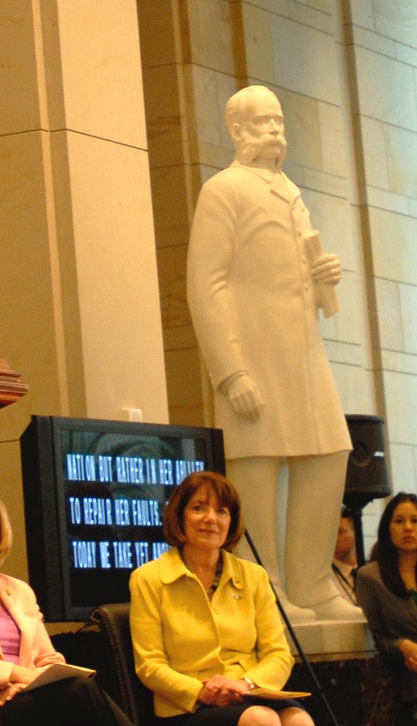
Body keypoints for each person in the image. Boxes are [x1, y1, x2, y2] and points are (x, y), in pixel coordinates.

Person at [186, 84, 359, 623]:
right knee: (256, 468)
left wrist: (322, 273)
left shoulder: (289, 190)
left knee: (328, 452)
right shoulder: (224, 190)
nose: (274, 133)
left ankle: (310, 582)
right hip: (255, 352)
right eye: (263, 124)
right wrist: (230, 370)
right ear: (236, 132)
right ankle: (266, 590)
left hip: (303, 352)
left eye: (279, 123)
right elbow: (204, 283)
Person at [129, 472, 313, 725]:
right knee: (261, 719)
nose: (211, 519)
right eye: (198, 508)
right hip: (187, 704)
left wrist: (243, 684)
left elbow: (279, 655)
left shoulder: (253, 576)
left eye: (222, 511)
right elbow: (150, 666)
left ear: (231, 521)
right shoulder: (148, 579)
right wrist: (203, 692)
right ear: (180, 516)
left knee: (297, 719)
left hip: (249, 690)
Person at [0, 489, 133, 726]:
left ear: (0, 534)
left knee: (78, 693)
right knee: (79, 691)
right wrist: (16, 674)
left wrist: (29, 683)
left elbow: (48, 658)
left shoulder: (19, 591)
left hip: (27, 695)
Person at [355, 493, 417, 724]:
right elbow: (377, 637)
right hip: (405, 686)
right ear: (387, 529)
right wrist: (402, 645)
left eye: (415, 521)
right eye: (399, 521)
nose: (408, 528)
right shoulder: (371, 577)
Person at [332, 506, 359, 606]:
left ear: (355, 533)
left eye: (340, 532)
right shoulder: (324, 579)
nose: (334, 539)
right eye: (331, 533)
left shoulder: (372, 571)